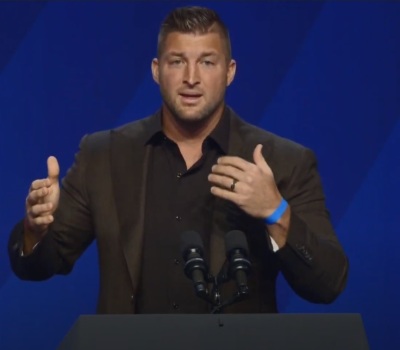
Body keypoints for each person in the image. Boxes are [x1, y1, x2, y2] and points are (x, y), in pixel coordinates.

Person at [8, 6, 348, 314]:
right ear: (157, 71)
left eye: (207, 62)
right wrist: (35, 230)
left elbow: (328, 283)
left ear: (229, 71)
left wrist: (276, 211)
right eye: (177, 61)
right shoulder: (104, 156)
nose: (191, 78)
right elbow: (38, 267)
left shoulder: (282, 161)